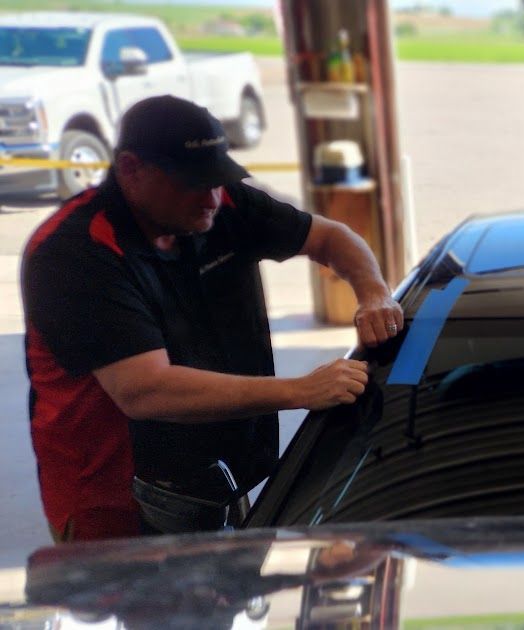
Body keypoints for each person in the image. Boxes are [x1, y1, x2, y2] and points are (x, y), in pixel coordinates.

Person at [21, 95, 404, 541]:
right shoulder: (77, 252)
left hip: (215, 477)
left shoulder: (221, 205)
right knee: (144, 611)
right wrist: (299, 391)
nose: (212, 198)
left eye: (219, 179)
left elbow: (330, 237)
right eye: (193, 181)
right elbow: (145, 390)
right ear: (130, 169)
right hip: (114, 502)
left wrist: (374, 294)